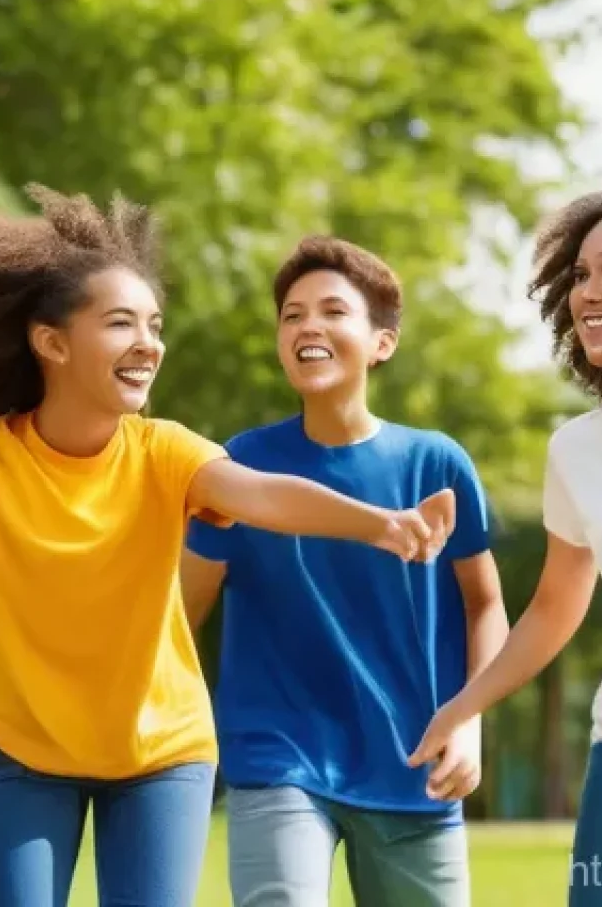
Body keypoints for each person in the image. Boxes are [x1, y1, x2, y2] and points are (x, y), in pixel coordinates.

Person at [0, 186, 456, 907]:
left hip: (161, 755)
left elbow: (265, 494)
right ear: (51, 342)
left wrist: (380, 523)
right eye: (121, 324)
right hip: (19, 752)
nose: (149, 343)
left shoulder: (166, 453)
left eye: (154, 324)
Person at [182, 236, 508, 907]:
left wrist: (469, 720)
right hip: (279, 758)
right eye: (292, 315)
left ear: (381, 342)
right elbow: (182, 615)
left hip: (416, 765)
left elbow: (484, 605)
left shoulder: (437, 463)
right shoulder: (241, 466)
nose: (307, 327)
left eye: (333, 311)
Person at [410, 187, 602, 906]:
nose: (590, 291)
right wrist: (463, 706)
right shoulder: (579, 451)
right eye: (580, 275)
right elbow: (554, 606)